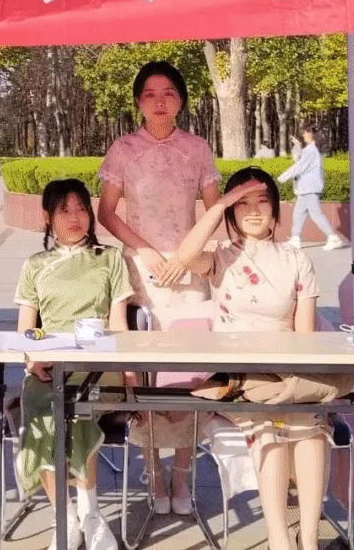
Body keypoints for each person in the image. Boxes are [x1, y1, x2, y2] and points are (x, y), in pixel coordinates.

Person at [160, 167, 345, 550]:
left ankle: (309, 538)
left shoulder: (296, 259)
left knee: (310, 430)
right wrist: (219, 205)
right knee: (269, 429)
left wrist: (298, 377)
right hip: (239, 375)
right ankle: (278, 538)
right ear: (231, 212)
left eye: (262, 201)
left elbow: (305, 336)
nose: (254, 210)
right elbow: (184, 255)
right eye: (242, 204)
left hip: (287, 373)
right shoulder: (221, 257)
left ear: (276, 210)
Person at [96, 60, 220, 513]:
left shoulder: (198, 148)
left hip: (188, 273)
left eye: (168, 92)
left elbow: (214, 210)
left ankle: (183, 476)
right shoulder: (124, 149)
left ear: (181, 100)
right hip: (142, 271)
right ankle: (152, 473)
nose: (159, 101)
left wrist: (187, 256)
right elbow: (106, 212)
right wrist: (145, 251)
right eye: (149, 94)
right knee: (143, 371)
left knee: (188, 370)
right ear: (137, 102)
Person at [16, 179, 132, 550]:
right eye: (65, 210)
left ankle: (90, 514)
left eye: (81, 208)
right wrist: (32, 362)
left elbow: (119, 324)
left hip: (99, 364)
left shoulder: (109, 258)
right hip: (51, 365)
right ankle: (64, 518)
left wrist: (129, 374)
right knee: (45, 410)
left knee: (77, 406)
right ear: (47, 216)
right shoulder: (35, 265)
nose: (75, 217)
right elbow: (26, 329)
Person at [278, 124, 344, 250]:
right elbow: (298, 159)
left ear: (311, 135)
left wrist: (283, 177)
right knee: (298, 213)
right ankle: (295, 239)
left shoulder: (311, 151)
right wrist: (298, 146)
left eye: (305, 133)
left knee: (316, 214)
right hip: (305, 189)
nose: (303, 135)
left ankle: (333, 238)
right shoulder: (309, 150)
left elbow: (299, 167)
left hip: (310, 188)